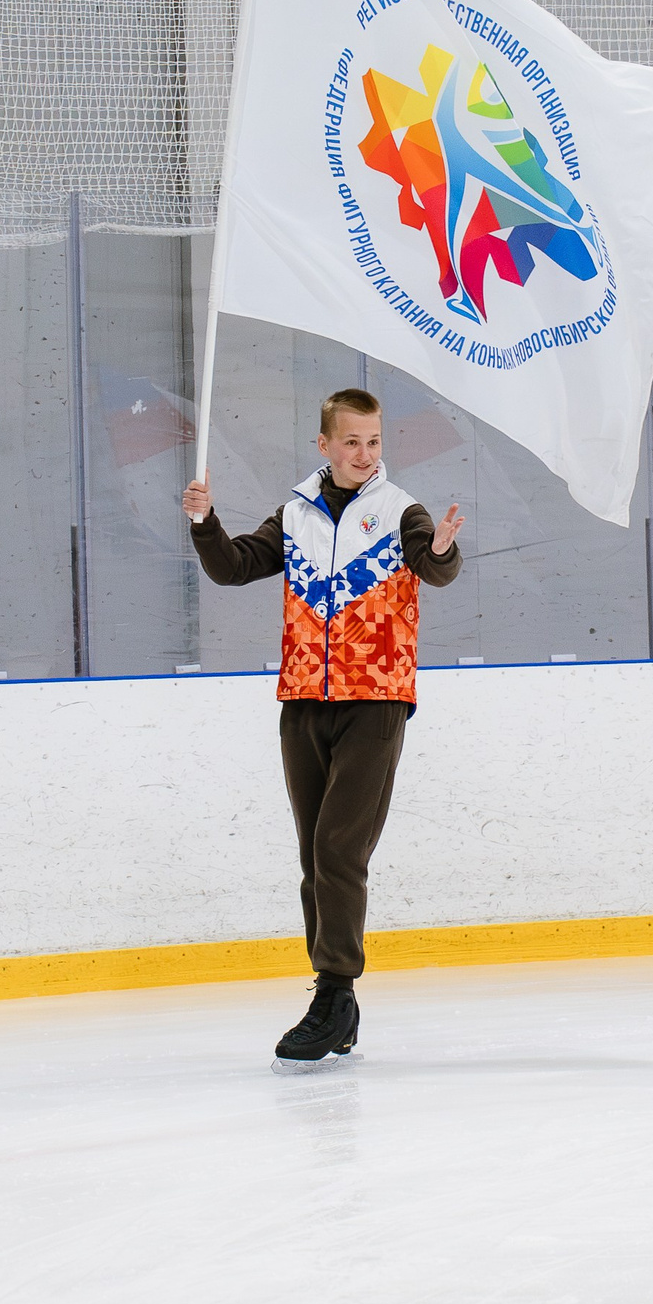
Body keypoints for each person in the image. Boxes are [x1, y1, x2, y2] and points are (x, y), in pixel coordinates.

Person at [181, 387, 465, 1070]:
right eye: (352, 442)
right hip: (304, 700)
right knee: (315, 857)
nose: (365, 455)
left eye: (373, 443)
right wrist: (204, 522)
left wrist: (445, 554)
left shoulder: (402, 512)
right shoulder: (296, 513)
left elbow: (434, 567)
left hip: (376, 702)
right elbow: (233, 568)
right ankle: (335, 999)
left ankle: (336, 991)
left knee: (341, 849)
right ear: (325, 445)